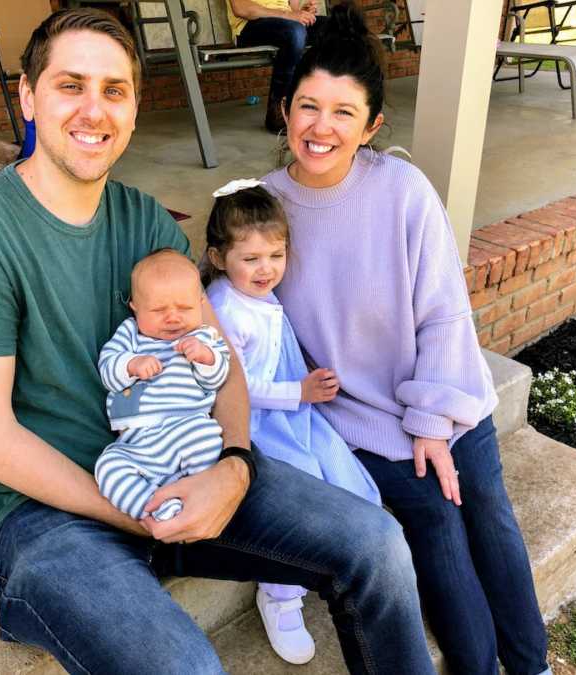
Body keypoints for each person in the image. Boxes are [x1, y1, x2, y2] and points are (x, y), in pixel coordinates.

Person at [0, 8, 435, 674]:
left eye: (114, 90)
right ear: (27, 97)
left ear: (134, 110)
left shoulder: (146, 221)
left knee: (378, 542)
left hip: (178, 466)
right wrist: (136, 511)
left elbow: (225, 373)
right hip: (43, 515)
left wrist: (235, 465)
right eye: (70, 84)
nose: (93, 110)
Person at [261, 4, 552, 675]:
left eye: (343, 112)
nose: (321, 127)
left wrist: (430, 421)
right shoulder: (264, 208)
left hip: (445, 388)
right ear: (285, 109)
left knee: (485, 506)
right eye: (308, 106)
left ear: (372, 125)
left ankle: (530, 662)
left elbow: (445, 314)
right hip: (360, 414)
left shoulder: (401, 188)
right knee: (435, 518)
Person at [202, 181, 382, 665]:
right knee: (295, 504)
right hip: (256, 424)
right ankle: (281, 596)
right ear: (219, 258)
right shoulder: (224, 309)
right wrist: (297, 391)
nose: (267, 270)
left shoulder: (257, 296)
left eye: (276, 255)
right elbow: (233, 385)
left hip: (294, 415)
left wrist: (304, 389)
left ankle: (365, 559)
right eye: (252, 258)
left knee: (343, 479)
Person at [96, 250, 230, 521]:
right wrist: (131, 365)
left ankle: (199, 499)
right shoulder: (130, 334)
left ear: (201, 302)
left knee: (206, 439)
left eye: (185, 308)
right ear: (135, 306)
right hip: (137, 441)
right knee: (107, 468)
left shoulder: (203, 336)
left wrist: (205, 357)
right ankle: (156, 508)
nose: (173, 318)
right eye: (158, 310)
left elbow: (218, 376)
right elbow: (107, 369)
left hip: (187, 425)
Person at [226, 0, 324, 133]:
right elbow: (241, 8)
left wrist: (302, 12)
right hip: (249, 25)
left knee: (339, 27)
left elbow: (292, 9)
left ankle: (327, 103)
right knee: (295, 32)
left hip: (287, 24)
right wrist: (288, 15)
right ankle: (277, 112)